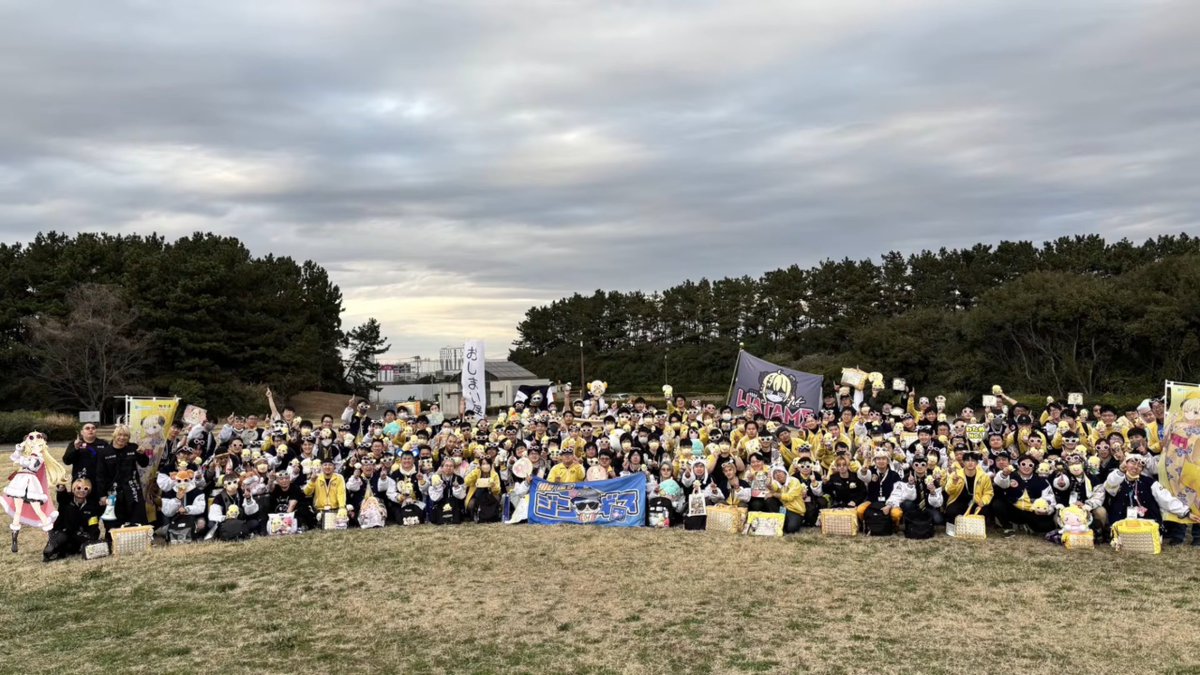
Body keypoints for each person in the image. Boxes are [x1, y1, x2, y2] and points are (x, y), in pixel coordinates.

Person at [1105, 454, 1200, 542]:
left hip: (1146, 524)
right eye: (1132, 462)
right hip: (1122, 523)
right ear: (1125, 463)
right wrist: (1121, 471)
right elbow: (1110, 485)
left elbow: (1166, 499)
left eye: (1140, 465)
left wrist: (1186, 512)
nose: (1135, 467)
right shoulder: (1117, 478)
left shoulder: (1150, 482)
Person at [97, 425, 150, 532]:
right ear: (114, 436)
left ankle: (139, 538)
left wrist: (142, 454)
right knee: (114, 520)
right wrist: (102, 495)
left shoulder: (133, 448)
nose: (122, 438)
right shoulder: (105, 452)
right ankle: (115, 540)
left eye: (125, 435)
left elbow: (144, 463)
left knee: (137, 517)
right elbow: (100, 475)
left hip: (132, 489)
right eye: (119, 435)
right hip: (113, 492)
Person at [43, 479, 102, 562]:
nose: (81, 491)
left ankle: (74, 548)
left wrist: (92, 538)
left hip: (79, 534)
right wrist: (61, 487)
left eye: (85, 489)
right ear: (73, 489)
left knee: (86, 542)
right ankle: (55, 548)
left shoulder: (92, 506)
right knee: (52, 549)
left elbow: (93, 524)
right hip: (64, 532)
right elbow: (61, 496)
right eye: (78, 488)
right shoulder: (66, 500)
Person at [942, 451, 994, 537]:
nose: (970, 463)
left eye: (973, 460)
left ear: (977, 463)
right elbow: (948, 491)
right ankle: (953, 527)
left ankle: (976, 528)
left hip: (976, 501)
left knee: (984, 510)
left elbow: (989, 492)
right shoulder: (956, 475)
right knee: (951, 511)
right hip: (958, 500)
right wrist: (954, 483)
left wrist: (983, 501)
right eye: (967, 460)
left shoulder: (984, 476)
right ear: (963, 462)